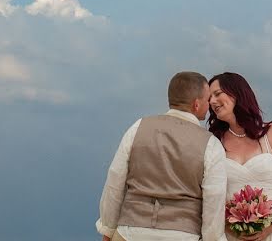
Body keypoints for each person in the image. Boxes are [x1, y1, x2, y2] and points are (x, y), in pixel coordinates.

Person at [97, 71, 228, 241]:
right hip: (183, 234)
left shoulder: (138, 127)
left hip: (131, 231)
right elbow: (214, 201)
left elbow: (115, 182)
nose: (210, 103)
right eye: (207, 98)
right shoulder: (211, 144)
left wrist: (108, 229)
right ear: (196, 104)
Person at [207, 73, 272, 241]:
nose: (212, 101)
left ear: (236, 93)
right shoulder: (214, 142)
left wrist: (270, 227)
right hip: (234, 235)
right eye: (209, 97)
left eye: (217, 94)